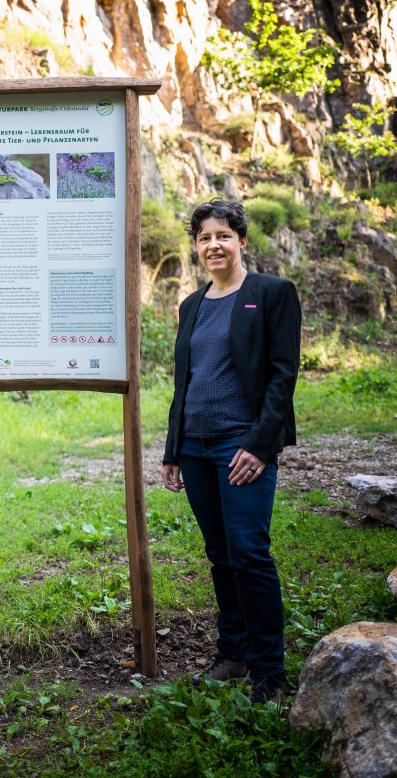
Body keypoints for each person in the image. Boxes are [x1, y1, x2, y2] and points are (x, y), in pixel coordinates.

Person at [160, 199, 301, 704]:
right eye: (203, 237)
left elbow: (283, 374)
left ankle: (270, 674)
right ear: (196, 247)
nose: (212, 245)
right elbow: (186, 383)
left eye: (223, 235)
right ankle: (234, 655)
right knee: (220, 555)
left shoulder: (272, 293)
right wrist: (173, 450)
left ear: (242, 240)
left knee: (249, 554)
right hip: (196, 448)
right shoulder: (192, 306)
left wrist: (261, 446)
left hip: (242, 447)